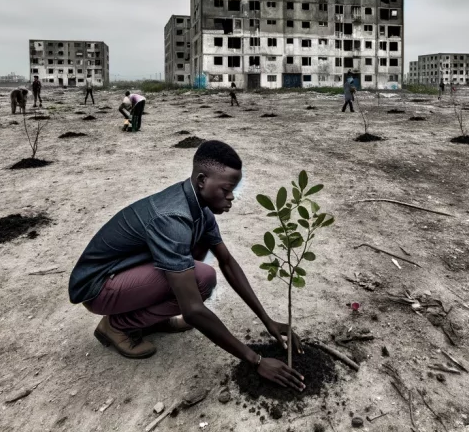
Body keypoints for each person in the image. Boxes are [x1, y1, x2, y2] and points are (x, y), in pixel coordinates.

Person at [67, 141, 305, 391]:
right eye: (226, 189)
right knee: (201, 278)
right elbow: (192, 310)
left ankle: (149, 320)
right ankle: (115, 326)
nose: (232, 196)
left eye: (233, 189)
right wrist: (255, 360)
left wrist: (267, 320)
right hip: (98, 286)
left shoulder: (201, 210)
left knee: (197, 261)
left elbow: (227, 261)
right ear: (202, 180)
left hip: (124, 274)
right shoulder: (173, 217)